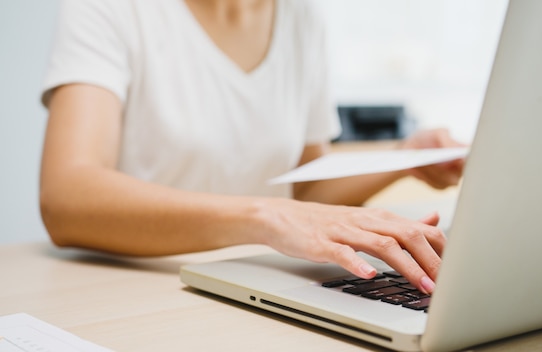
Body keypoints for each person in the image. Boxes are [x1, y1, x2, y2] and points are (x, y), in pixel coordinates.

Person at [39, 0, 465, 295]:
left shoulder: (300, 16)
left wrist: (402, 159)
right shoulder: (112, 9)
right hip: (139, 282)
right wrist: (265, 216)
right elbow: (66, 196)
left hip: (254, 279)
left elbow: (304, 190)